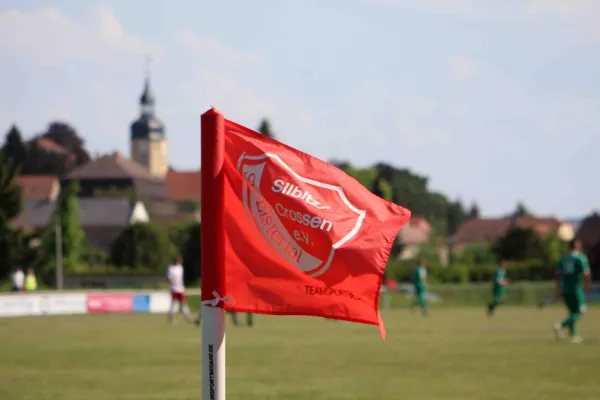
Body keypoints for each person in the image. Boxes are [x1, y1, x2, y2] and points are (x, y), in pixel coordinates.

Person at [553, 239, 592, 344]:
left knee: (572, 312)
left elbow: (558, 275)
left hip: (565, 288)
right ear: (577, 246)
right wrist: (587, 286)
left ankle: (573, 335)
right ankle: (561, 326)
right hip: (576, 288)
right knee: (581, 311)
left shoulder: (564, 258)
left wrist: (559, 289)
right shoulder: (580, 257)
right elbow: (587, 274)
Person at [166, 257, 193, 324]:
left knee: (183, 303)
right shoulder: (174, 268)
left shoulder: (178, 268)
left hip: (180, 288)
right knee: (174, 304)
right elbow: (169, 279)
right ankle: (171, 318)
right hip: (174, 288)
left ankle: (186, 316)